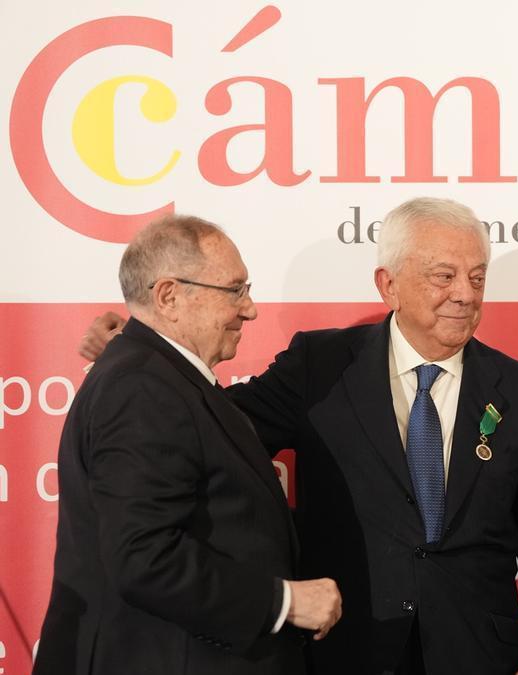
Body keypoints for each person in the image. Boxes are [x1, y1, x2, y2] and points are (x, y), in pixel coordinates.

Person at [81, 198, 518, 675]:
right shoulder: (319, 367)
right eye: (444, 276)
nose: (465, 294)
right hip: (346, 649)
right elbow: (211, 429)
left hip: (480, 656)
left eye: (477, 277)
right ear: (388, 284)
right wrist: (145, 348)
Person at [36, 215, 341, 675]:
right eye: (234, 290)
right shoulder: (143, 387)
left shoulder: (159, 378)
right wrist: (284, 602)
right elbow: (144, 556)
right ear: (169, 297)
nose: (250, 309)